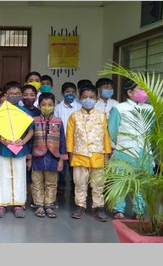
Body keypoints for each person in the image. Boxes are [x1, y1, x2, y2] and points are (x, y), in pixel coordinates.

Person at [107, 78, 154, 220]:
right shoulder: (119, 108)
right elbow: (113, 130)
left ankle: (139, 210)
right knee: (121, 180)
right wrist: (121, 143)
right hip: (124, 150)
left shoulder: (150, 109)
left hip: (144, 151)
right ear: (129, 92)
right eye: (140, 89)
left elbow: (151, 130)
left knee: (142, 183)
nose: (144, 92)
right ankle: (118, 209)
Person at [66, 84, 112, 222]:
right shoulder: (74, 116)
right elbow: (70, 136)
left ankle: (98, 206)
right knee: (79, 182)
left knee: (98, 183)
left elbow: (106, 135)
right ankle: (80, 205)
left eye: (91, 97)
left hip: (98, 154)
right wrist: (70, 154)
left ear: (97, 98)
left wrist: (107, 154)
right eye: (85, 97)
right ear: (79, 98)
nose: (88, 99)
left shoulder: (102, 116)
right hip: (79, 154)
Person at [0, 81, 34, 218]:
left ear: (21, 95)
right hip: (4, 149)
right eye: (11, 94)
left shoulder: (25, 112)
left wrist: (23, 141)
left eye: (17, 94)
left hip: (20, 149)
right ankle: (2, 204)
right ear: (5, 95)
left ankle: (18, 204)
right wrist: (2, 141)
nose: (14, 96)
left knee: (19, 175)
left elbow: (31, 132)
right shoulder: (0, 112)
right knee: (3, 176)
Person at [30, 92, 67, 218]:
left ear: (54, 105)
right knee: (37, 182)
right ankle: (39, 205)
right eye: (44, 104)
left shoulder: (59, 122)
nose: (47, 107)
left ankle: (49, 205)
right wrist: (29, 158)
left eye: (50, 104)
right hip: (37, 156)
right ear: (39, 106)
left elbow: (62, 141)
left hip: (53, 157)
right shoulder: (34, 121)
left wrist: (61, 160)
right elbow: (30, 141)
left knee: (51, 182)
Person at [54, 82, 82, 195]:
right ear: (62, 93)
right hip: (62, 140)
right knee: (62, 163)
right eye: (67, 92)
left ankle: (74, 184)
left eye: (73, 92)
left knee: (74, 164)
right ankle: (61, 183)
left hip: (77, 141)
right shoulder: (57, 107)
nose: (70, 94)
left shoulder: (80, 107)